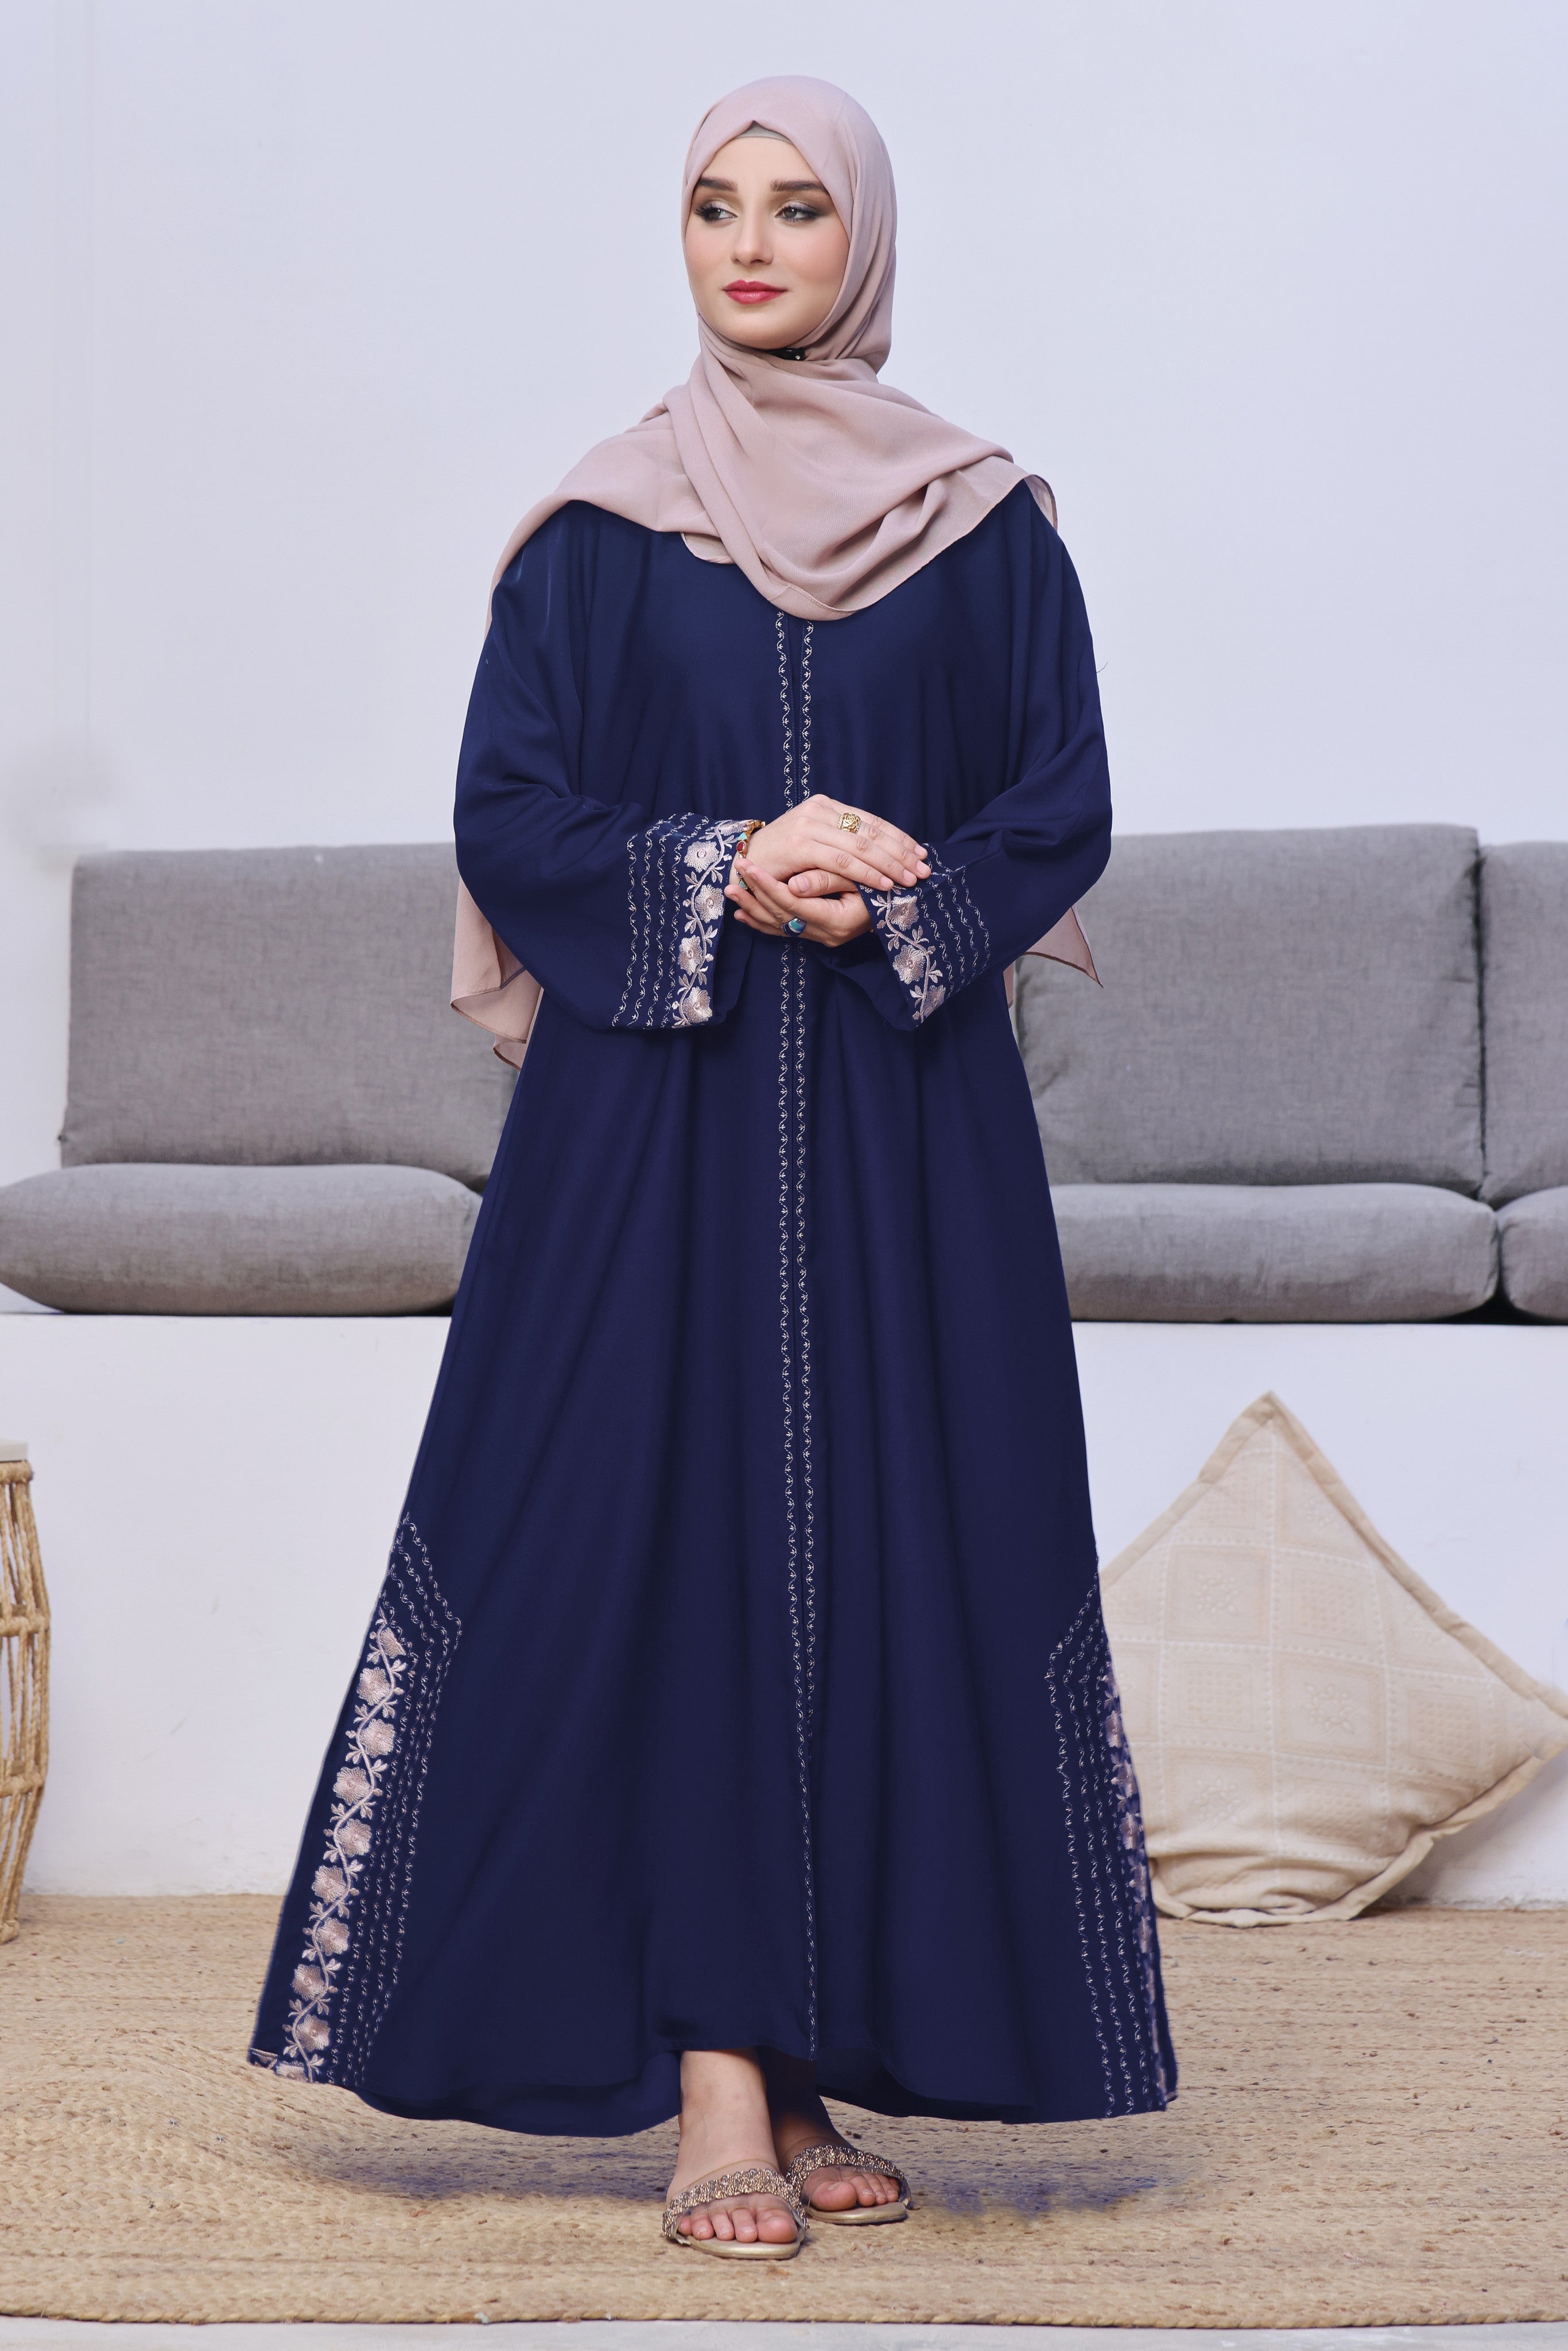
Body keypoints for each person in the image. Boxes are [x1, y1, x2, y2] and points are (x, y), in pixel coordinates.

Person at [250, 73, 1175, 2261]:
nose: (748, 246)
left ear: (862, 237)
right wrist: (724, 861)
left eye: (793, 209)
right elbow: (511, 814)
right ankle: (715, 2089)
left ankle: (816, 2050)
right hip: (643, 1127)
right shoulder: (594, 531)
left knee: (894, 1550)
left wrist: (892, 887)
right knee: (655, 1548)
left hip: (906, 1121)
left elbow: (1057, 800)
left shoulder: (984, 521)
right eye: (709, 206)